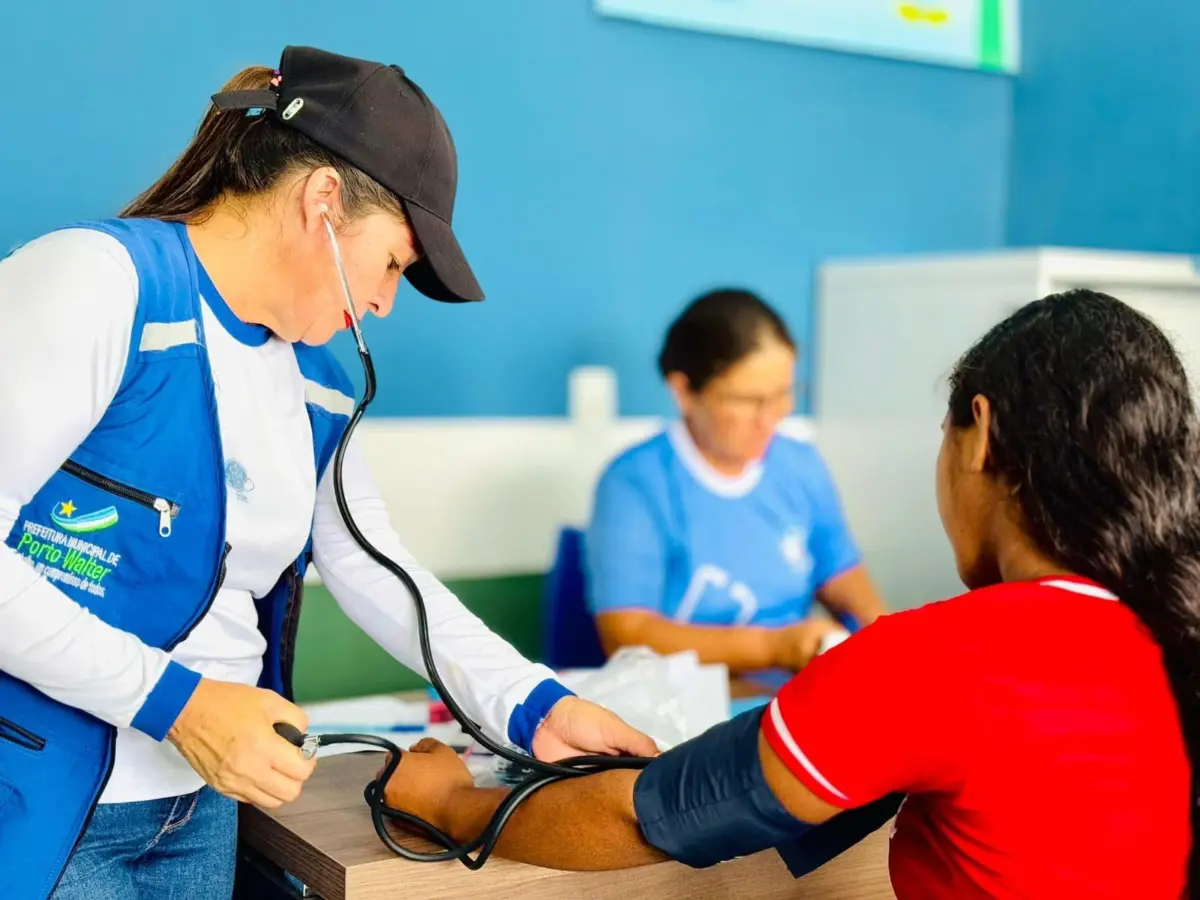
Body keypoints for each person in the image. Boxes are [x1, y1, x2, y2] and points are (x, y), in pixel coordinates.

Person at [0, 46, 655, 900]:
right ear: (322, 201)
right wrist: (179, 705)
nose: (384, 303)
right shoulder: (96, 281)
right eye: (392, 265)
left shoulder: (319, 386)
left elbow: (381, 571)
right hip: (43, 797)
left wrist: (536, 706)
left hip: (200, 806)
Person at [384, 289, 1195, 899]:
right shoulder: (1162, 632)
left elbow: (652, 815)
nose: (770, 419)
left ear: (978, 434)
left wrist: (453, 807)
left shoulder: (936, 659)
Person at [586, 289, 885, 688]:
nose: (769, 419)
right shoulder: (635, 484)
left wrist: (888, 640)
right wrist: (773, 648)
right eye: (747, 401)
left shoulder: (800, 465)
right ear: (684, 391)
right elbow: (627, 633)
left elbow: (841, 573)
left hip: (794, 692)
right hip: (687, 698)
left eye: (782, 394)